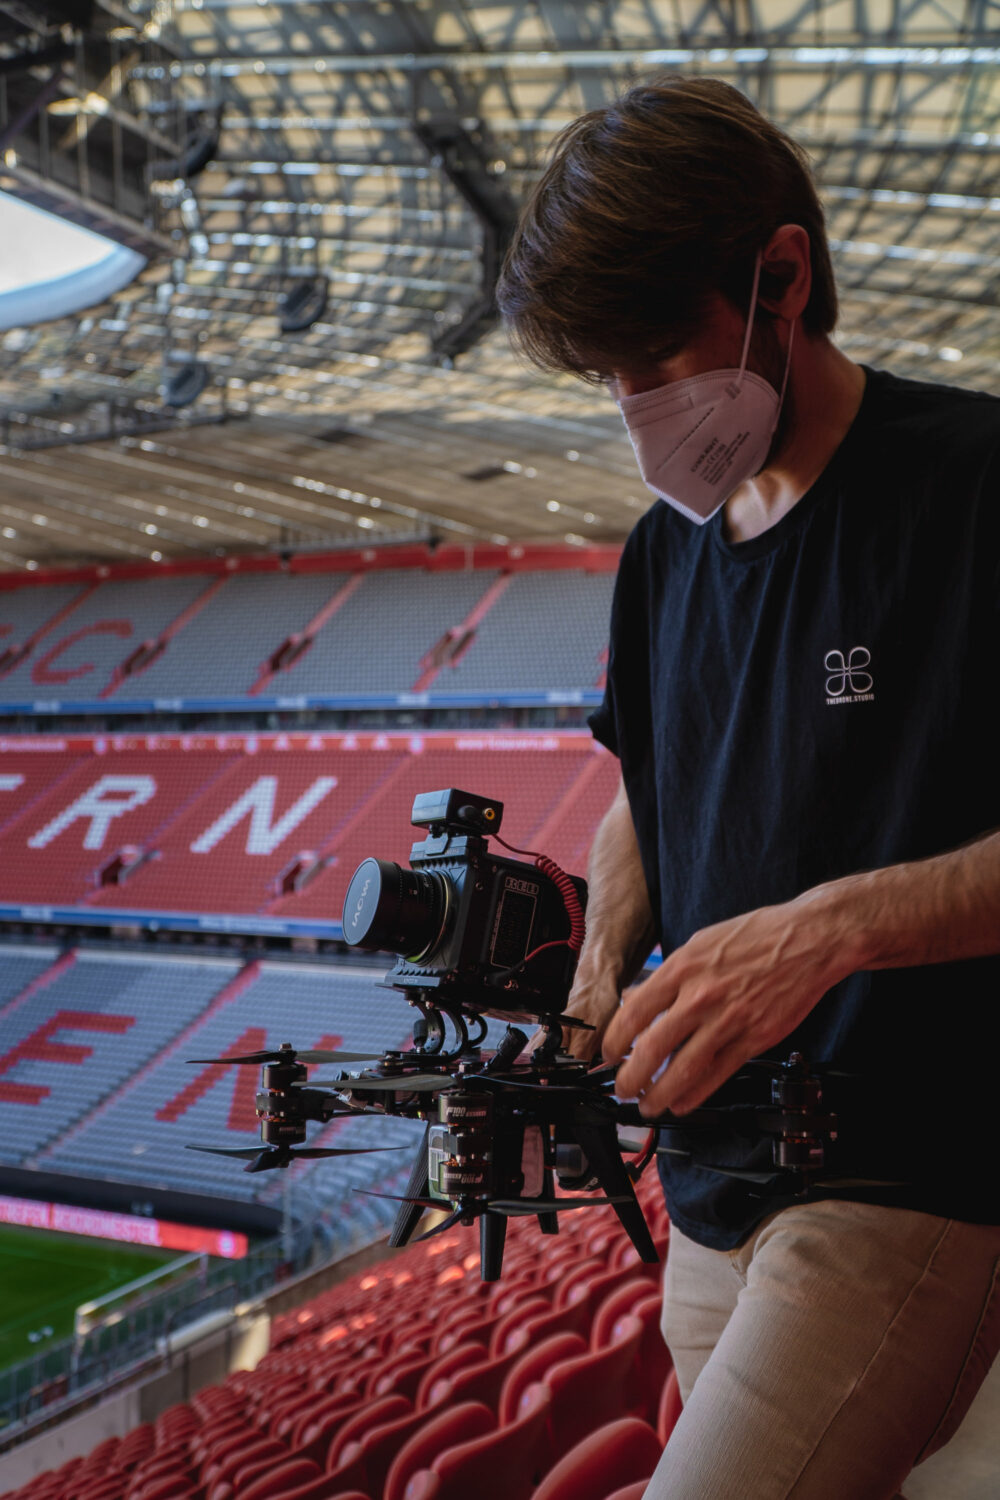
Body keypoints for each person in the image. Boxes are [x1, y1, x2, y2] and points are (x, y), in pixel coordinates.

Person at [497, 76, 1000, 1499]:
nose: (638, 409)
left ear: (782, 275)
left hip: (906, 1186)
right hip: (707, 1198)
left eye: (657, 354)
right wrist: (600, 963)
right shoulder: (665, 560)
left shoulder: (972, 488)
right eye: (611, 378)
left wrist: (830, 930)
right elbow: (655, 790)